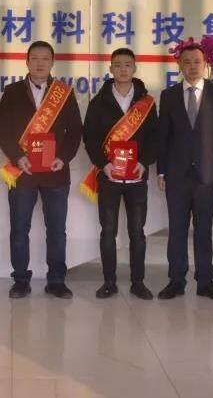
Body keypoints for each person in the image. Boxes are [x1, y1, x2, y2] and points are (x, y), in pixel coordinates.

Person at [0, 40, 83, 299]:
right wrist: (17, 156)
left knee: (56, 230)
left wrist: (63, 158)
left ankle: (56, 280)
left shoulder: (63, 93)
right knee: (19, 228)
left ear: (52, 62)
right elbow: (0, 128)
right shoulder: (12, 92)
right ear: (27, 61)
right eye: (34, 58)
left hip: (55, 173)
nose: (40, 63)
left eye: (45, 58)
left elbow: (75, 130)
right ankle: (21, 280)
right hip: (23, 172)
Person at [156, 42, 213, 301]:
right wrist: (161, 171)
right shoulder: (168, 96)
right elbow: (164, 137)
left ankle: (205, 282)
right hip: (176, 176)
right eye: (186, 62)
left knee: (204, 230)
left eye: (196, 62)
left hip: (208, 177)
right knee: (177, 230)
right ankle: (176, 281)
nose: (191, 66)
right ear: (179, 65)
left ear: (205, 64)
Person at [81, 48, 159, 300]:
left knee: (137, 231)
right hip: (109, 177)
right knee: (108, 230)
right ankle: (109, 282)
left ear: (134, 68)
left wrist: (144, 163)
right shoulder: (98, 102)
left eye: (127, 64)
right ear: (110, 69)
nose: (123, 69)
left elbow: (154, 137)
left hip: (136, 177)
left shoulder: (146, 103)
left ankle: (138, 282)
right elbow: (90, 137)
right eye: (117, 65)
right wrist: (103, 164)